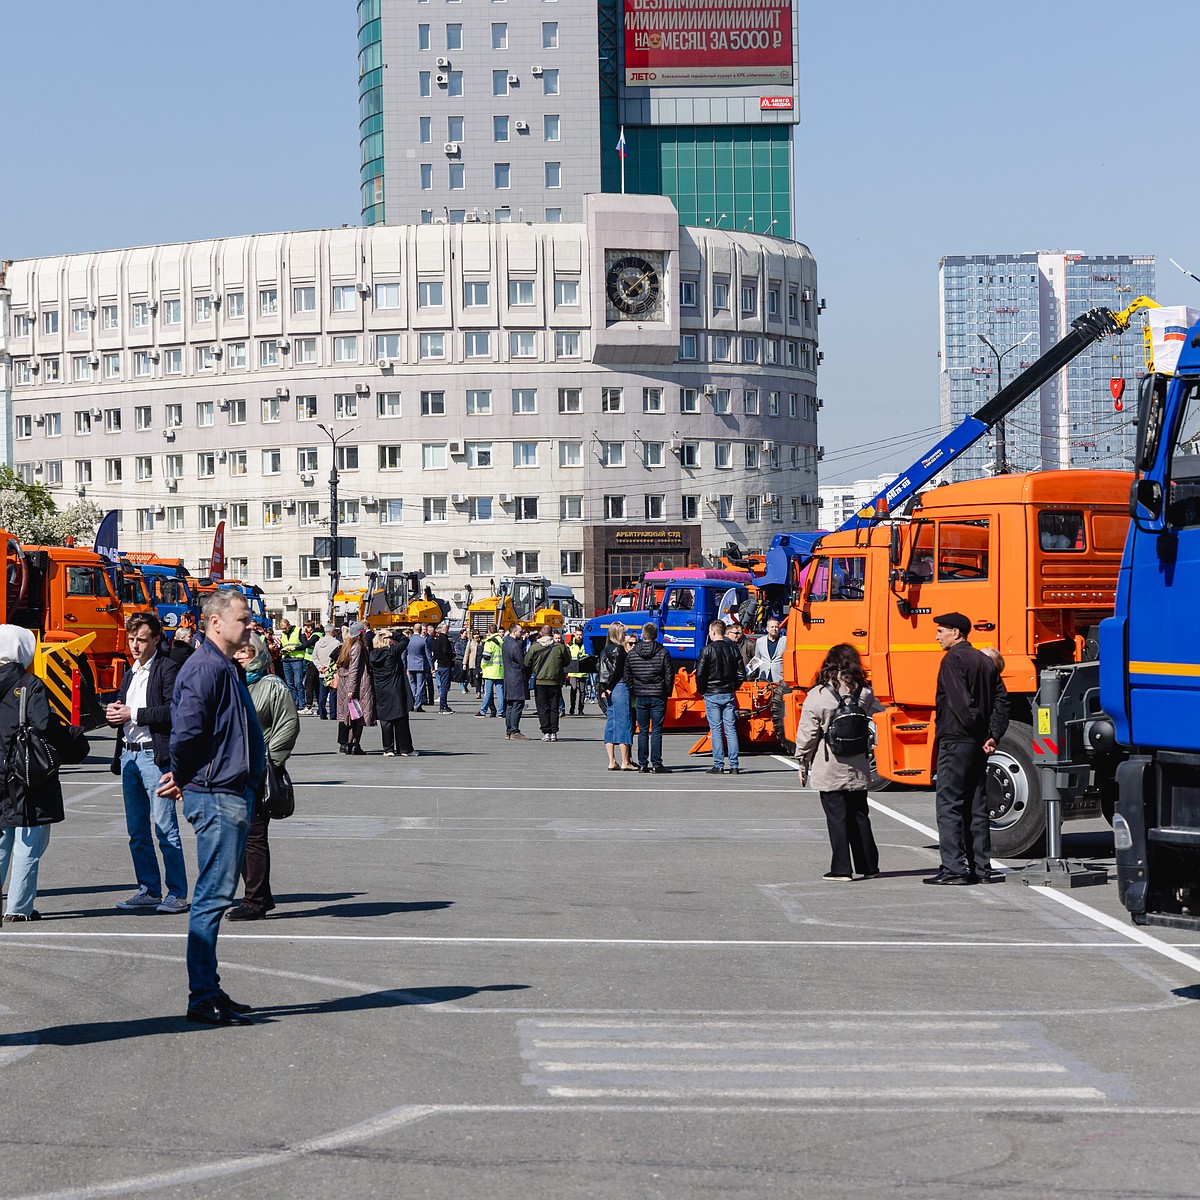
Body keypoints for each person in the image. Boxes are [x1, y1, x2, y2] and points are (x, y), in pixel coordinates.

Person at [158, 590, 266, 1025]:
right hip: (217, 795)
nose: (250, 624)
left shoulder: (224, 666)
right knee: (211, 899)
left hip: (228, 792)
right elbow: (186, 733)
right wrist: (183, 776)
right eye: (243, 618)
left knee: (214, 897)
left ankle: (211, 990)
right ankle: (202, 998)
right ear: (215, 622)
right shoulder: (205, 668)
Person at [107, 612, 193, 914]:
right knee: (137, 830)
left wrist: (135, 714)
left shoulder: (168, 668)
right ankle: (148, 889)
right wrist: (115, 711)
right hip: (129, 755)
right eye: (131, 639)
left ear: (157, 639)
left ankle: (177, 893)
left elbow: (174, 710)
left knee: (165, 828)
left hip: (153, 757)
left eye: (141, 640)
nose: (134, 645)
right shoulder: (131, 671)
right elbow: (125, 706)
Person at [0, 626, 82, 922]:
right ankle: (19, 908)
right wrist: (72, 738)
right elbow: (43, 724)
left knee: (2, 839)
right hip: (25, 774)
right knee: (29, 839)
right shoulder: (28, 682)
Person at [926, 612, 1010, 886]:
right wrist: (992, 735)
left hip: (958, 739)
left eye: (941, 631)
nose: (937, 636)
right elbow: (1002, 702)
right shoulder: (986, 662)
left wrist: (980, 732)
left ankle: (954, 869)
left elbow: (961, 704)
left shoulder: (952, 660)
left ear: (956, 633)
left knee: (949, 804)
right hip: (977, 743)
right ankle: (981, 869)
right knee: (976, 805)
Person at [794, 644, 884, 881]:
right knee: (860, 815)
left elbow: (808, 735)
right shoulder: (863, 692)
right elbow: (879, 713)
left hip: (830, 762)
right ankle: (869, 866)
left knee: (837, 816)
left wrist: (802, 763)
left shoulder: (818, 694)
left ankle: (841, 868)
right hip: (857, 763)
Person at [226, 632, 299, 921]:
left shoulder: (272, 685)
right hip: (233, 771)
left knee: (253, 838)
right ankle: (262, 896)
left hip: (257, 770)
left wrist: (270, 762)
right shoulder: (234, 683)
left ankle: (254, 902)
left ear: (257, 654)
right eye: (237, 652)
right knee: (242, 837)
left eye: (245, 652)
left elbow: (288, 725)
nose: (240, 656)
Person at [695, 619, 747, 775]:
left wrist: (702, 690)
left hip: (712, 692)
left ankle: (718, 764)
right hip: (727, 692)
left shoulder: (707, 650)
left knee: (716, 729)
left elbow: (700, 674)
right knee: (730, 729)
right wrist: (733, 686)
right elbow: (741, 673)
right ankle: (734, 765)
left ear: (712, 632)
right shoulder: (732, 649)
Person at [623, 622, 676, 773]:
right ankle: (657, 763)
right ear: (656, 635)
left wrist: (634, 689)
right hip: (658, 694)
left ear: (642, 635)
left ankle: (642, 763)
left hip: (641, 694)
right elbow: (669, 674)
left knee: (643, 730)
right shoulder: (662, 652)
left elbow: (627, 675)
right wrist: (666, 691)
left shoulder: (633, 653)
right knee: (657, 730)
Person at [369, 626, 417, 756]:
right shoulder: (392, 652)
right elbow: (405, 641)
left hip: (380, 689)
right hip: (395, 688)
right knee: (401, 718)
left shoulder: (372, 656)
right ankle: (405, 749)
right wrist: (393, 634)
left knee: (385, 720)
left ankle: (388, 749)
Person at [598, 622, 636, 770]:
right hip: (618, 687)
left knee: (611, 723)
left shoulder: (605, 649)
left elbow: (602, 672)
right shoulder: (619, 650)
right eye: (623, 633)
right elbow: (618, 671)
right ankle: (626, 761)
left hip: (607, 689)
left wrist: (603, 688)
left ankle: (612, 760)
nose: (625, 636)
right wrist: (610, 687)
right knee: (624, 723)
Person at [525, 625, 572, 741]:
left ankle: (546, 732)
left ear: (541, 634)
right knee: (554, 707)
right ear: (552, 634)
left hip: (540, 680)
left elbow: (526, 662)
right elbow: (567, 661)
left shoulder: (534, 647)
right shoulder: (559, 647)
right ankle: (554, 732)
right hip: (555, 680)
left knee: (542, 707)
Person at [336, 622, 376, 754]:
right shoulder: (358, 646)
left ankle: (347, 744)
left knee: (350, 715)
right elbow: (354, 670)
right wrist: (352, 689)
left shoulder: (346, 645)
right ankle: (354, 744)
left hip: (344, 683)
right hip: (357, 684)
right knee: (358, 716)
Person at [501, 622, 530, 741]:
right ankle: (514, 731)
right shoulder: (515, 646)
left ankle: (509, 730)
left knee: (510, 705)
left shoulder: (506, 642)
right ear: (514, 632)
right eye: (520, 632)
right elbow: (522, 663)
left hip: (509, 677)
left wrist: (522, 642)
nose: (521, 633)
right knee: (517, 705)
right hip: (517, 678)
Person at [311, 623, 341, 720]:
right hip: (332, 672)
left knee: (322, 694)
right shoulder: (336, 643)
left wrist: (319, 666)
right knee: (333, 693)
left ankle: (322, 714)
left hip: (322, 672)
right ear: (333, 632)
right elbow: (339, 658)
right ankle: (333, 714)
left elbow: (314, 657)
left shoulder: (318, 643)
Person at [406, 623, 434, 713]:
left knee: (412, 684)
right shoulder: (423, 640)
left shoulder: (408, 640)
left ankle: (412, 701)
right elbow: (428, 654)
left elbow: (404, 654)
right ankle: (418, 705)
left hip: (411, 664)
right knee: (420, 685)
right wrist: (432, 666)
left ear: (413, 629)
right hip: (421, 665)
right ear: (420, 629)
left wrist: (404, 665)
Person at [477, 626, 505, 717]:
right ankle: (501, 712)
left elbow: (486, 657)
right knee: (500, 692)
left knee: (488, 693)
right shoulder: (502, 641)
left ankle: (482, 711)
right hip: (500, 670)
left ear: (489, 632)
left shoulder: (489, 642)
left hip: (489, 670)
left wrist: (482, 666)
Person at [749, 617, 787, 682]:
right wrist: (747, 671)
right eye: (772, 627)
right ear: (767, 629)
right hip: (764, 677)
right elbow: (757, 659)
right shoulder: (760, 641)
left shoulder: (785, 640)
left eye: (776, 627)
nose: (774, 629)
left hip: (779, 677)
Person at [432, 623, 456, 713]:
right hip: (445, 664)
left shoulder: (437, 639)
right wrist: (453, 655)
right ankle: (443, 706)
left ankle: (444, 705)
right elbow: (445, 650)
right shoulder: (444, 639)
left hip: (440, 664)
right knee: (445, 687)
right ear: (448, 630)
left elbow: (435, 652)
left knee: (442, 686)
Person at [300, 620, 321, 714]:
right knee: (315, 684)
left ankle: (309, 706)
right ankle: (320, 707)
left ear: (310, 627)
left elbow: (306, 644)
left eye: (307, 627)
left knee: (308, 683)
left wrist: (303, 635)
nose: (305, 629)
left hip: (314, 661)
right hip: (309, 660)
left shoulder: (316, 635)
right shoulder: (312, 635)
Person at [565, 633, 588, 716]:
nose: (579, 636)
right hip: (573, 671)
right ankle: (572, 707)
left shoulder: (585, 645)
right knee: (573, 688)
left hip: (583, 671)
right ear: (574, 635)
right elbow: (567, 655)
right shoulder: (570, 645)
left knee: (582, 691)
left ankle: (581, 709)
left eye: (581, 635)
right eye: (577, 634)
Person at [463, 631, 482, 697]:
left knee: (479, 677)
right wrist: (464, 663)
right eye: (475, 634)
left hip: (480, 663)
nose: (476, 635)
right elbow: (466, 653)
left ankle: (479, 691)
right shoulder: (470, 642)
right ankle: (477, 691)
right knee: (475, 678)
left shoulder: (482, 642)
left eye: (477, 634)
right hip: (473, 663)